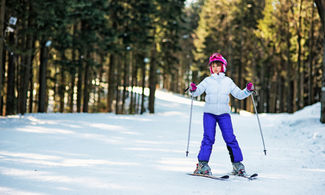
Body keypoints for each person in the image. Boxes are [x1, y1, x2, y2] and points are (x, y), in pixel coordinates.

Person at [189, 52, 255, 176]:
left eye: (218, 65)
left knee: (230, 138)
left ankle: (237, 165)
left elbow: (239, 94)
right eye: (213, 66)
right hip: (209, 114)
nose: (215, 68)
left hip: (224, 114)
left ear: (223, 67)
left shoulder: (228, 81)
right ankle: (202, 165)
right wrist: (193, 89)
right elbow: (196, 92)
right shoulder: (207, 81)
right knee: (208, 138)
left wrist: (247, 91)